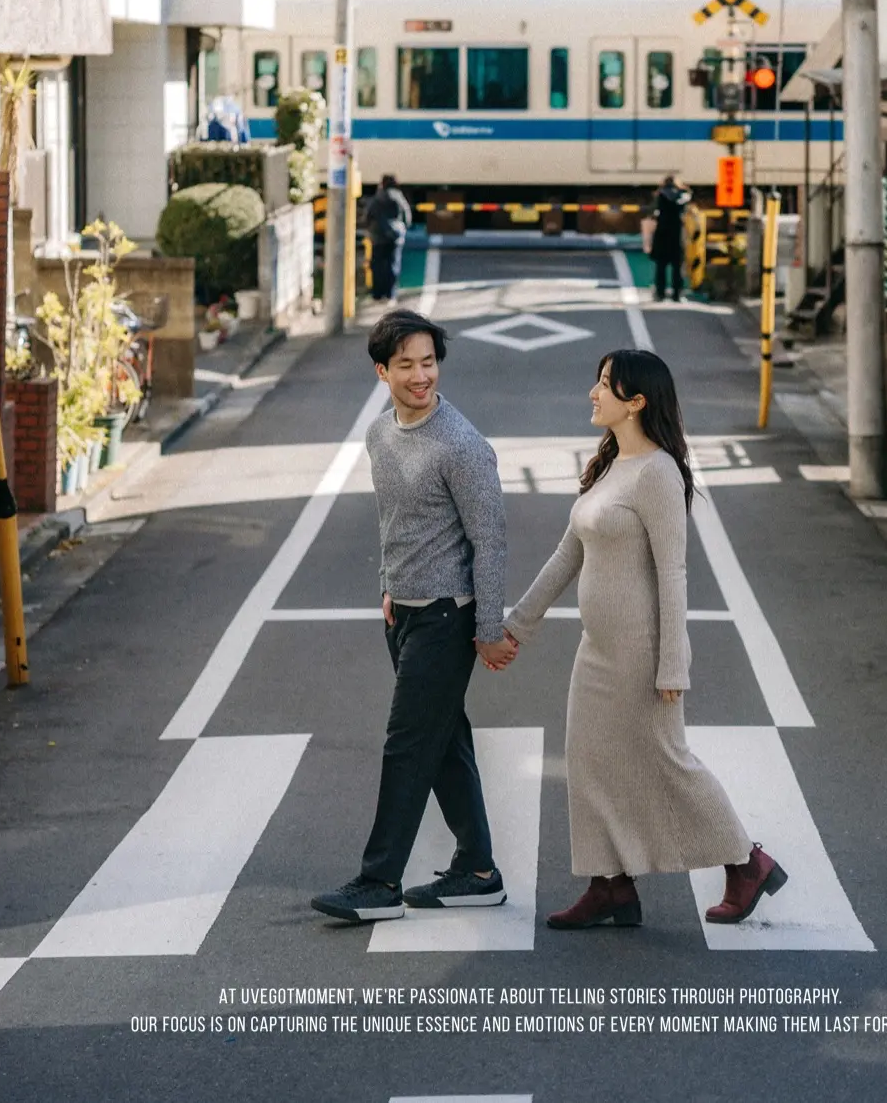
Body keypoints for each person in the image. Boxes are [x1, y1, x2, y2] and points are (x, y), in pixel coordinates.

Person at [503, 349, 787, 930]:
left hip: (641, 654)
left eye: (605, 385)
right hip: (597, 650)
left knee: (667, 761)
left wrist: (672, 664)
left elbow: (673, 572)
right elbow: (567, 554)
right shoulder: (609, 464)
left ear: (636, 402)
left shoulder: (658, 473)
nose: (593, 392)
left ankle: (747, 862)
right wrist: (517, 625)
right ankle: (610, 886)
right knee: (589, 764)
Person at [311, 309, 518, 924]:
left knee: (407, 746)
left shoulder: (462, 445)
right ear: (383, 371)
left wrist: (486, 629)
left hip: (448, 619)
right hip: (401, 613)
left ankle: (378, 882)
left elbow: (491, 541)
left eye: (428, 362)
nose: (421, 375)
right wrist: (388, 588)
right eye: (406, 365)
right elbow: (395, 525)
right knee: (444, 741)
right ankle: (477, 871)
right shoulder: (380, 434)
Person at [365, 174, 413, 301]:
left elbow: (368, 216)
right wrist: (404, 227)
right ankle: (391, 293)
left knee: (377, 265)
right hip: (395, 236)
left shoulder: (377, 198)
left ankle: (377, 294)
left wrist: (370, 229)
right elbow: (407, 214)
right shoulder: (398, 196)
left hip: (378, 236)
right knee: (393, 264)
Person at [648, 175, 691, 302]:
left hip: (662, 232)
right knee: (677, 266)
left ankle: (660, 294)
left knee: (661, 266)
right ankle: (677, 294)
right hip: (677, 233)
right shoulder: (684, 196)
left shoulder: (660, 195)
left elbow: (653, 212)